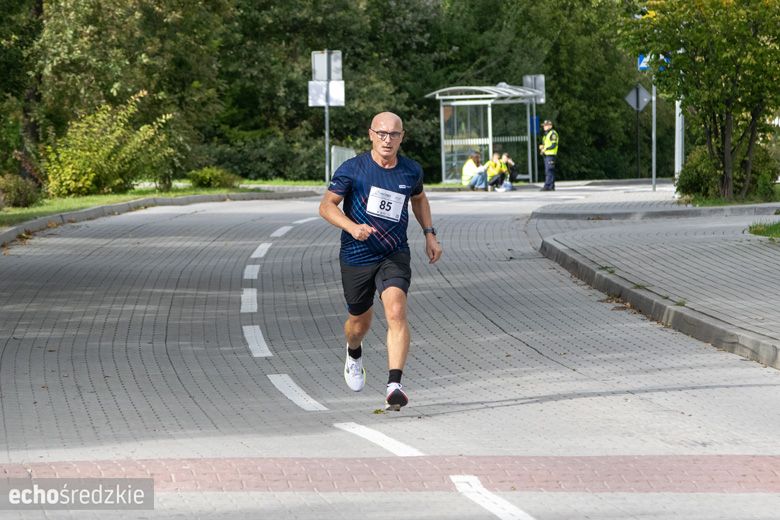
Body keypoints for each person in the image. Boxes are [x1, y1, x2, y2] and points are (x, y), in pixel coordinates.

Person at [319, 112, 443, 411]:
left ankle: (394, 385)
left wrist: (429, 234)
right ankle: (353, 351)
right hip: (357, 254)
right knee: (359, 323)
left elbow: (419, 198)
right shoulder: (353, 169)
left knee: (397, 310)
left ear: (402, 137)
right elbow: (326, 206)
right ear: (371, 134)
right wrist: (352, 227)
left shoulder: (410, 170)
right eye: (382, 134)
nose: (388, 140)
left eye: (394, 135)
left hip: (393, 252)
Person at [539, 119, 558, 191]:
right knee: (550, 170)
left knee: (549, 170)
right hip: (547, 155)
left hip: (551, 155)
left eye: (546, 125)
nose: (544, 127)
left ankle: (547, 186)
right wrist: (542, 147)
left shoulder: (553, 134)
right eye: (544, 126)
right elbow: (546, 144)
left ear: (550, 126)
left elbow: (553, 145)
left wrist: (545, 149)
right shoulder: (546, 134)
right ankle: (551, 186)